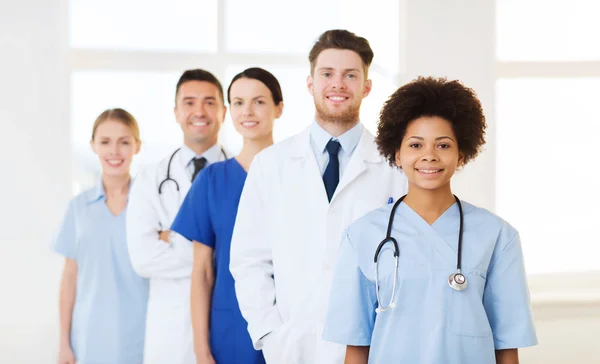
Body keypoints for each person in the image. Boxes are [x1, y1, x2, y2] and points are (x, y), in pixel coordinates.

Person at [322, 76, 538, 364]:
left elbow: (507, 347)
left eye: (443, 145)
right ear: (396, 154)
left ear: (462, 154)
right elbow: (357, 346)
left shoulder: (498, 236)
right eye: (415, 145)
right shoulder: (362, 235)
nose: (429, 156)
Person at [229, 29, 408, 364]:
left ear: (366, 86)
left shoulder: (394, 167)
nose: (337, 84)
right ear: (310, 84)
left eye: (350, 75)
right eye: (327, 74)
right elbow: (249, 260)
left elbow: (406, 262)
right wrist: (270, 334)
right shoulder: (271, 165)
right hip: (293, 346)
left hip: (373, 346)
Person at [171, 67, 283, 364]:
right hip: (230, 329)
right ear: (229, 110)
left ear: (279, 108)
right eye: (238, 102)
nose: (248, 111)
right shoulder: (211, 180)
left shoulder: (296, 175)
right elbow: (203, 272)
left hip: (289, 325)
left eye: (259, 101)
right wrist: (201, 350)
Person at [126, 69, 229, 364]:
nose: (199, 111)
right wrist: (212, 249)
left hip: (225, 320)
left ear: (223, 111)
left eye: (209, 102)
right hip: (169, 330)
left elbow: (249, 256)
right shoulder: (150, 177)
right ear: (175, 112)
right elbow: (142, 258)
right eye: (189, 102)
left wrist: (173, 237)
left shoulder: (243, 175)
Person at [53, 108, 148, 364]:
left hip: (144, 337)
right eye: (105, 142)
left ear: (137, 146)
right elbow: (70, 278)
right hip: (89, 338)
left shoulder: (151, 205)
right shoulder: (78, 207)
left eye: (124, 142)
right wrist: (63, 343)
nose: (114, 151)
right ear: (93, 146)